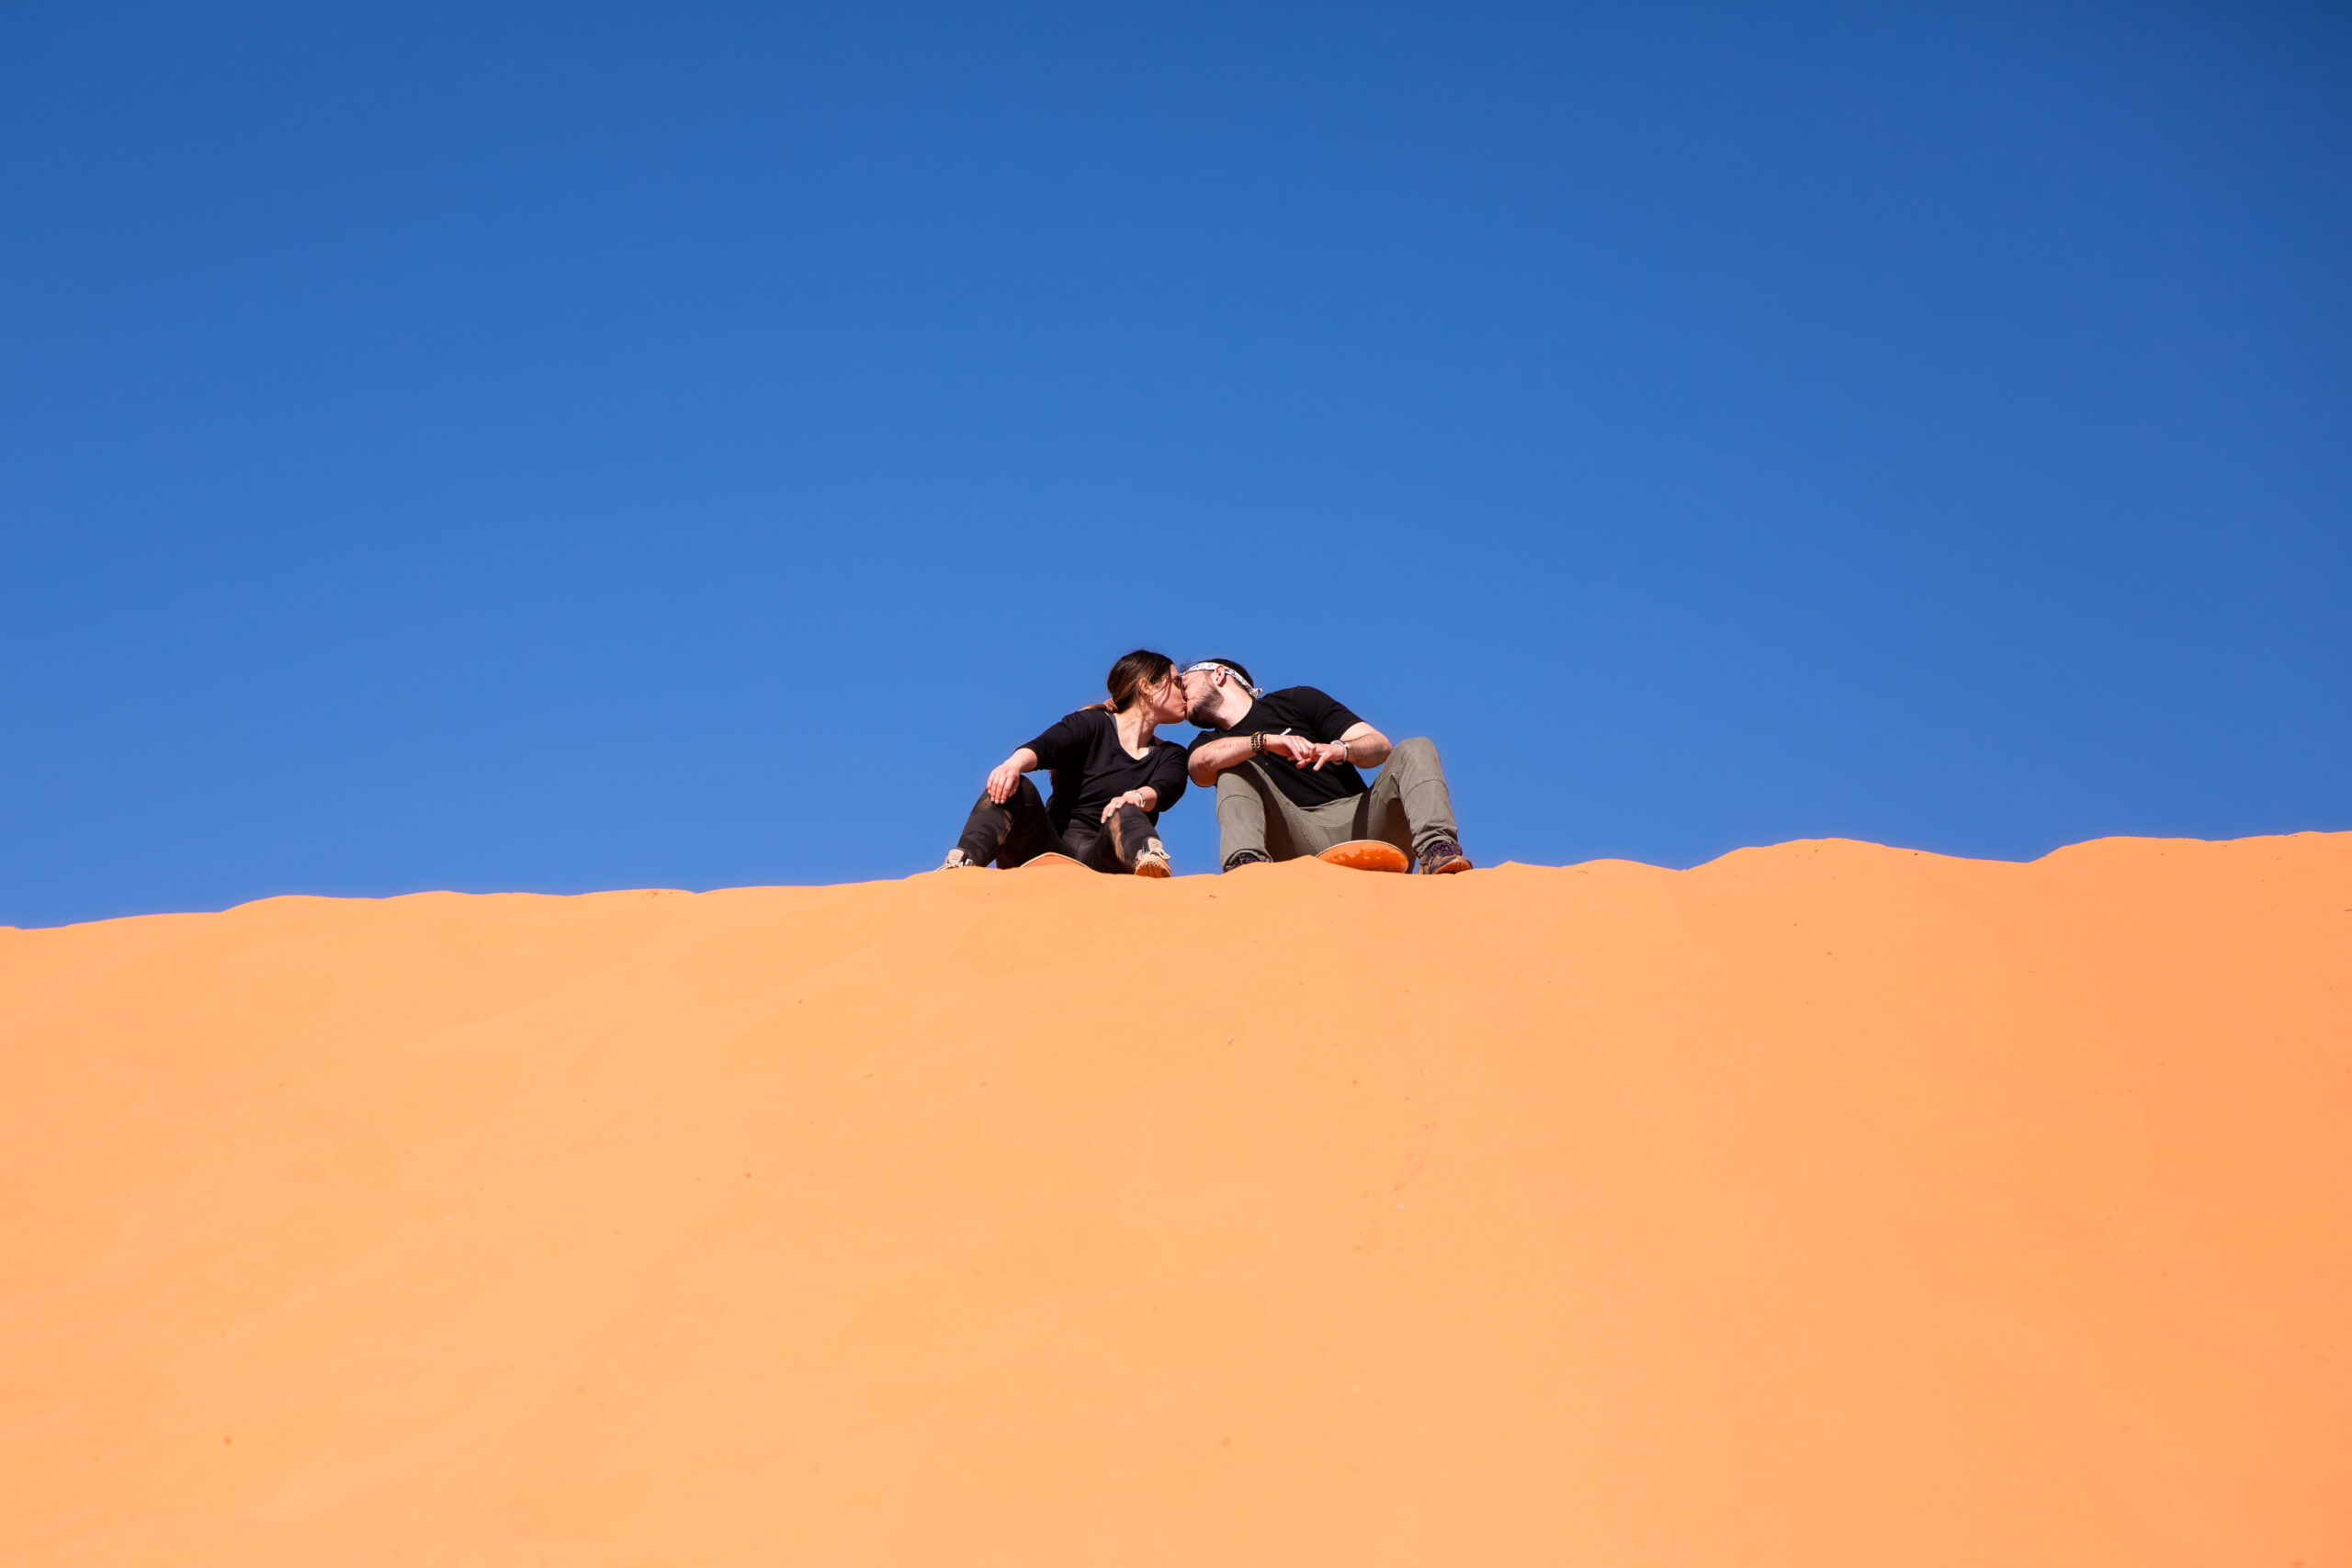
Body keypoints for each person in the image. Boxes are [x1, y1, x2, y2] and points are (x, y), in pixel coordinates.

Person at [1180, 659, 1471, 875]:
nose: (1180, 694)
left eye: (1184, 683)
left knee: (1416, 747)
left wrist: (1339, 750)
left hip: (1364, 822)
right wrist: (1262, 742)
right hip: (1298, 838)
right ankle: (1247, 873)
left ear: (1219, 674)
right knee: (1233, 770)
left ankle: (1438, 851)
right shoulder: (1209, 742)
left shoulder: (1295, 700)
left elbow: (1380, 746)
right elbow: (1200, 767)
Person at [941, 650, 1191, 876]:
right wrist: (1011, 765)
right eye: (1177, 682)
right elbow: (1048, 745)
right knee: (1015, 787)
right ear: (1147, 686)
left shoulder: (1171, 755)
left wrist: (1135, 797)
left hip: (1107, 861)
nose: (1184, 692)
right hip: (1048, 851)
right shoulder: (1094, 723)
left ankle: (1150, 860)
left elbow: (1166, 787)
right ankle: (963, 864)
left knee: (1125, 806)